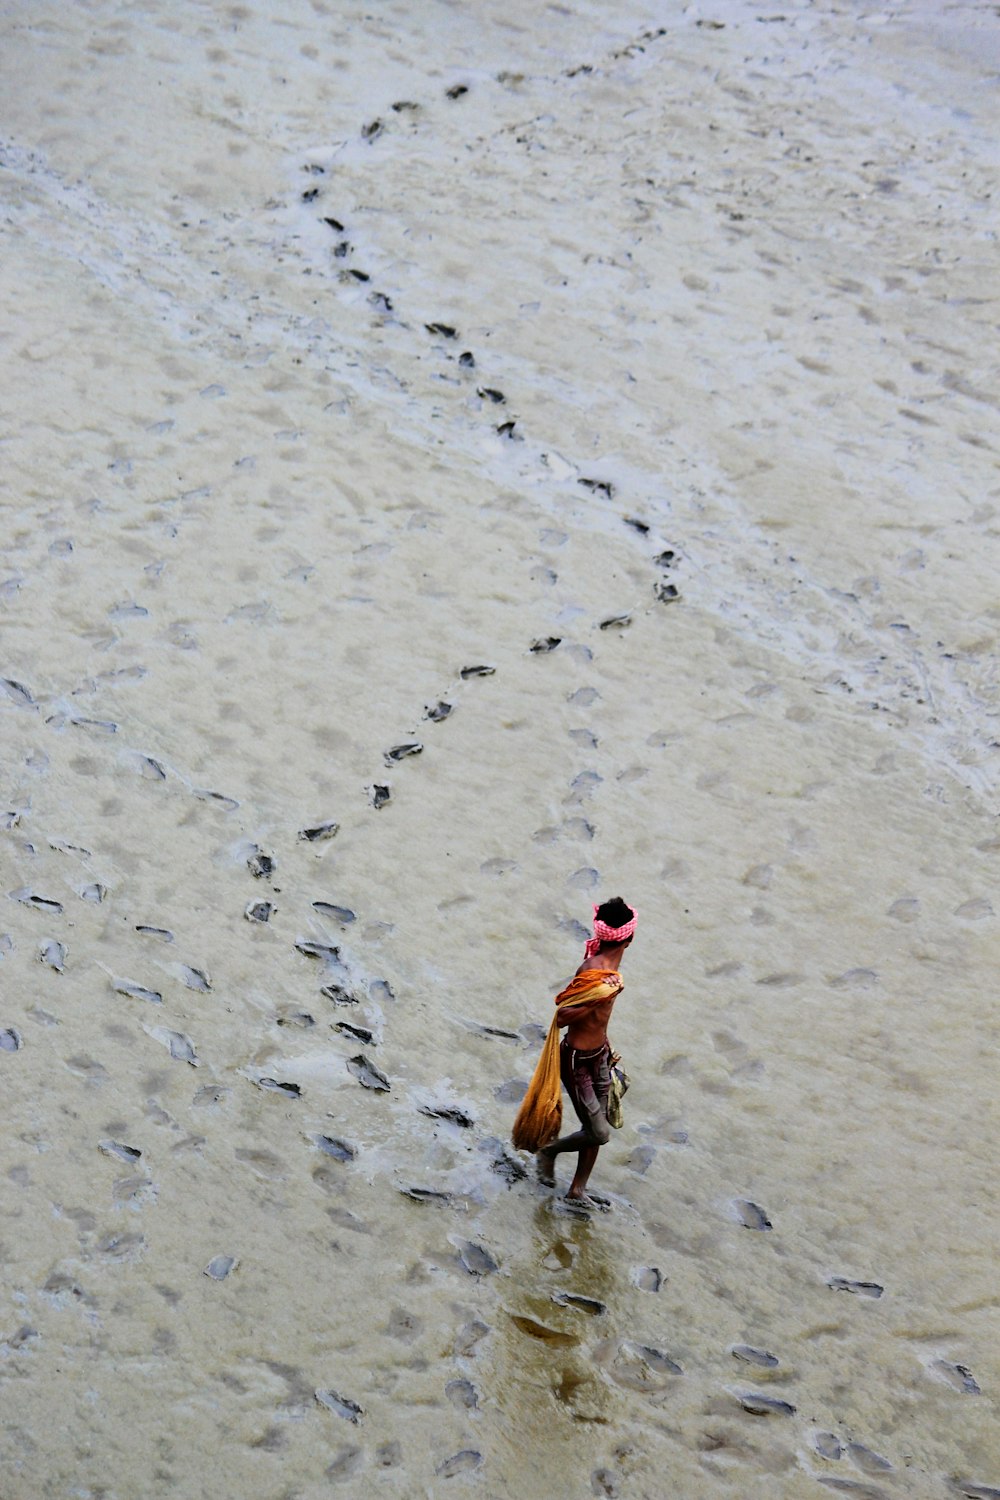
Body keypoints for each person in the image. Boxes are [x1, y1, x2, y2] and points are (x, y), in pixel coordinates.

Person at [534, 897, 636, 1206]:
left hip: (600, 1055)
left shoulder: (612, 967)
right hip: (577, 1060)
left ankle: (577, 1190)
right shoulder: (593, 968)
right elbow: (562, 1016)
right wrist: (599, 996)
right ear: (629, 938)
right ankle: (549, 1150)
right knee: (599, 1132)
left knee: (596, 1123)